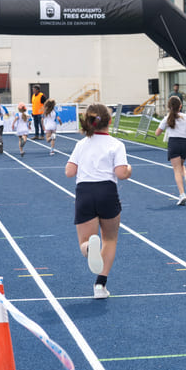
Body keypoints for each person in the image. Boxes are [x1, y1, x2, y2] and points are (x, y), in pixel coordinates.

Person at [65, 103, 132, 299]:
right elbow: (121, 173)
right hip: (107, 192)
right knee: (109, 239)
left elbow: (69, 172)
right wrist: (129, 169)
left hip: (85, 192)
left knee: (84, 242)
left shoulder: (81, 144)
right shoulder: (116, 144)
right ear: (109, 121)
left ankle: (89, 248)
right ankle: (100, 286)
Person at [155, 96, 186, 205]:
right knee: (180, 165)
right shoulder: (185, 116)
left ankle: (182, 194)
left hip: (174, 143)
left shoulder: (167, 118)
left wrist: (163, 128)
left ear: (169, 107)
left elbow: (157, 133)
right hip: (185, 144)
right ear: (180, 106)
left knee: (176, 170)